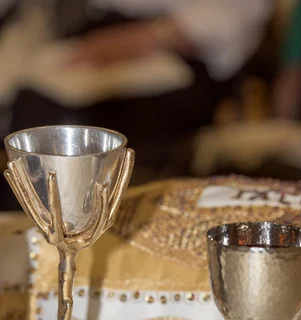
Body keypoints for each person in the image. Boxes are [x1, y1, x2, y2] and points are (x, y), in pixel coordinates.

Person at [0, 0, 272, 210]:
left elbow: (237, 13)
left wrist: (142, 38)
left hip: (175, 46)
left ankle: (59, 247)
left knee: (59, 124)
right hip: (75, 33)